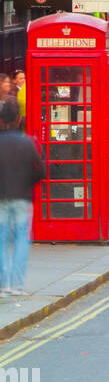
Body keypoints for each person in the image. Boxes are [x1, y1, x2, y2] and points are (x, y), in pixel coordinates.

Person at [0, 97, 44, 296]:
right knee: (20, 240)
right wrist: (27, 184)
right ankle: (17, 285)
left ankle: (3, 284)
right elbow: (42, 171)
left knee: (1, 240)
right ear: (19, 119)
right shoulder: (27, 143)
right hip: (22, 198)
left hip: (1, 197)